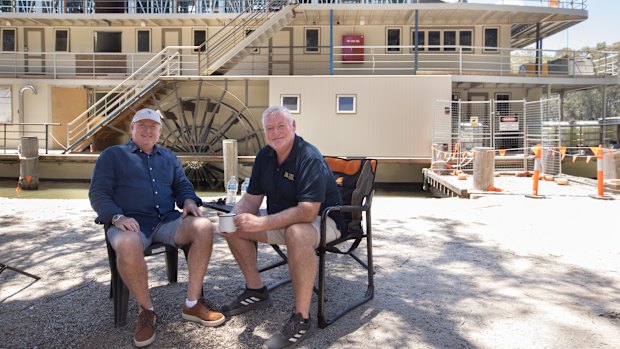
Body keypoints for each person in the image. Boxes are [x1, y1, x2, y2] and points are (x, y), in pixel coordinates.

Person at [89, 108, 224, 347]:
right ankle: (146, 311)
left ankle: (192, 304)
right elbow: (98, 194)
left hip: (166, 220)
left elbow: (182, 186)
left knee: (203, 226)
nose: (147, 130)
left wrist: (190, 201)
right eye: (142, 125)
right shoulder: (112, 156)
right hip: (129, 223)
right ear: (132, 129)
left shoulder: (169, 157)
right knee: (128, 243)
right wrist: (117, 216)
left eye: (153, 126)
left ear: (160, 132)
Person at [218, 105, 345, 349]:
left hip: (326, 218)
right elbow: (251, 200)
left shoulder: (309, 156)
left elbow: (308, 212)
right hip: (284, 219)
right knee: (235, 226)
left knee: (296, 232)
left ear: (294, 127)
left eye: (281, 126)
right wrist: (234, 216)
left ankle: (301, 319)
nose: (275, 133)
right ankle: (256, 290)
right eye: (269, 128)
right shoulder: (265, 156)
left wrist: (261, 222)